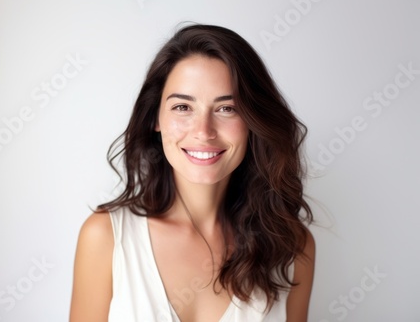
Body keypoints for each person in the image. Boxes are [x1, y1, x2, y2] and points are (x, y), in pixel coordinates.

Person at [70, 24, 315, 322]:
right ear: (155, 118)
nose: (203, 132)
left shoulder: (291, 247)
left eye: (227, 109)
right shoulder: (105, 237)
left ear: (254, 120)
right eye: (183, 107)